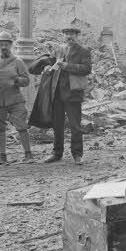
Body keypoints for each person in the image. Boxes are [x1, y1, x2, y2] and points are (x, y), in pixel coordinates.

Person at [44, 25, 92, 164]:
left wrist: (68, 66)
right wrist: (47, 67)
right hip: (57, 92)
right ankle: (57, 153)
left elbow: (86, 69)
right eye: (66, 34)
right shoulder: (59, 50)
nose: (69, 36)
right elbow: (51, 63)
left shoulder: (83, 51)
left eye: (72, 34)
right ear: (63, 36)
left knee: (75, 125)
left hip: (73, 93)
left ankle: (77, 154)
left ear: (77, 36)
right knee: (57, 124)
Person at [0, 31, 32, 164]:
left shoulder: (18, 62)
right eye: (1, 44)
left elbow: (26, 80)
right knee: (0, 128)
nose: (4, 47)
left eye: (6, 44)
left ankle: (28, 154)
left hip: (15, 99)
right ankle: (2, 156)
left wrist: (17, 80)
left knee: (22, 126)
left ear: (10, 45)